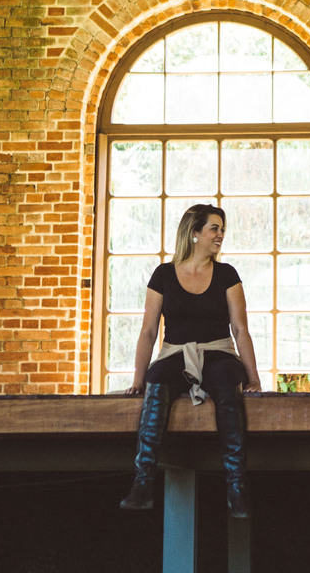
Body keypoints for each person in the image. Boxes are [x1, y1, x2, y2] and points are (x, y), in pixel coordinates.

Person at [119, 204, 263, 517]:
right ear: (195, 233)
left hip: (219, 353)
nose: (220, 235)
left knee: (228, 379)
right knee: (157, 379)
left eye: (222, 229)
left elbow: (240, 329)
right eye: (214, 228)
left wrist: (253, 378)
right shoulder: (163, 275)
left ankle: (237, 489)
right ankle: (143, 484)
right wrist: (138, 380)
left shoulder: (227, 275)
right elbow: (148, 331)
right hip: (175, 354)